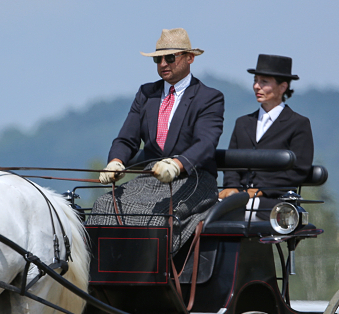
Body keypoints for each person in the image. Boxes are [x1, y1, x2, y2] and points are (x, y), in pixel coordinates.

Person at [88, 28, 224, 254]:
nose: (163, 64)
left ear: (189, 58)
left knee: (160, 215)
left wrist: (177, 164)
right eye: (158, 59)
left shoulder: (209, 97)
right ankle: (99, 278)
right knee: (103, 206)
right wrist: (115, 161)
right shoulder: (146, 93)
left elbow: (206, 142)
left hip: (193, 178)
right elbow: (126, 138)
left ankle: (149, 280)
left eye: (170, 57)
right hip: (149, 178)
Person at [220, 54, 313, 218]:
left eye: (264, 82)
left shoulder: (298, 124)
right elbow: (231, 164)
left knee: (231, 212)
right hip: (240, 198)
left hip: (274, 202)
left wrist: (262, 190)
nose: (256, 86)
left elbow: (298, 170)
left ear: (283, 87)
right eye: (255, 81)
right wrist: (231, 187)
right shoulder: (243, 123)